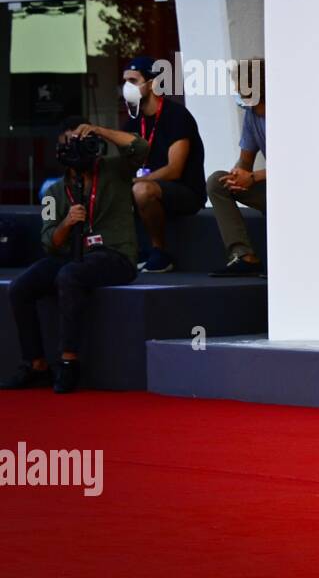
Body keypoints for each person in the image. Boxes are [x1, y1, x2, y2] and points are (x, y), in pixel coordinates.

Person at [1, 117, 149, 393]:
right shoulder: (52, 192)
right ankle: (35, 364)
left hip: (114, 255)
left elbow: (140, 148)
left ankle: (69, 362)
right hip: (71, 255)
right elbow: (49, 243)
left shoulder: (114, 170)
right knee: (20, 287)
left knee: (70, 275)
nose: (75, 149)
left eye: (81, 142)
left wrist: (100, 131)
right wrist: (67, 223)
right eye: (69, 143)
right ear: (59, 150)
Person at [121, 55, 208, 272]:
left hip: (185, 191)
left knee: (140, 189)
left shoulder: (177, 115)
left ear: (151, 84)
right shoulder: (133, 120)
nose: (126, 86)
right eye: (124, 81)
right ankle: (128, 251)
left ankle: (159, 252)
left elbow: (174, 170)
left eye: (133, 80)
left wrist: (137, 180)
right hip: (150, 187)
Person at [207, 59, 267, 277]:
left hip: (297, 188)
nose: (237, 90)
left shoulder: (285, 112)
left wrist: (252, 177)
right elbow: (245, 161)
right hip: (268, 186)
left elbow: (295, 166)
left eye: (240, 85)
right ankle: (244, 256)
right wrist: (236, 176)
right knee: (217, 182)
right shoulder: (252, 115)